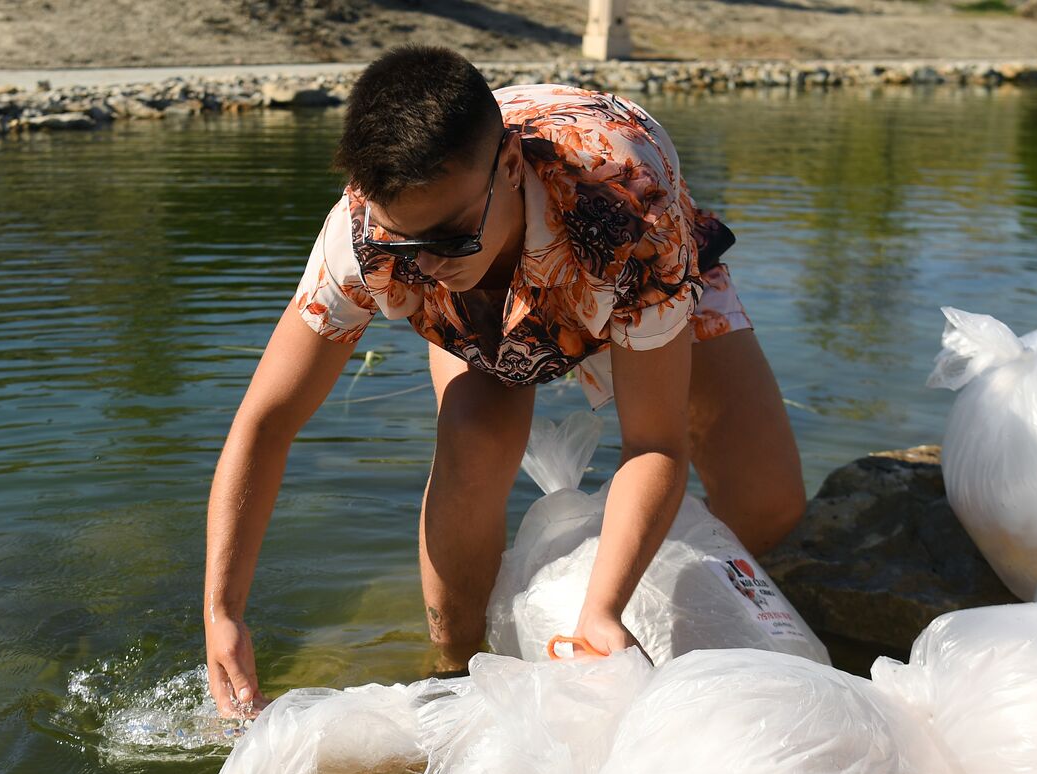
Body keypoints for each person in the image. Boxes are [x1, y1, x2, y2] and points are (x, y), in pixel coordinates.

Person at [203, 45, 805, 718]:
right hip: (487, 306)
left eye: (450, 236)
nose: (428, 265)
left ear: (510, 165)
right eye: (406, 245)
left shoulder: (634, 201)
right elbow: (266, 423)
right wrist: (223, 611)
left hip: (609, 264)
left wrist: (599, 609)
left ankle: (653, 592)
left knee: (768, 500)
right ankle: (455, 669)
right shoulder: (364, 237)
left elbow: (654, 443)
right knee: (475, 436)